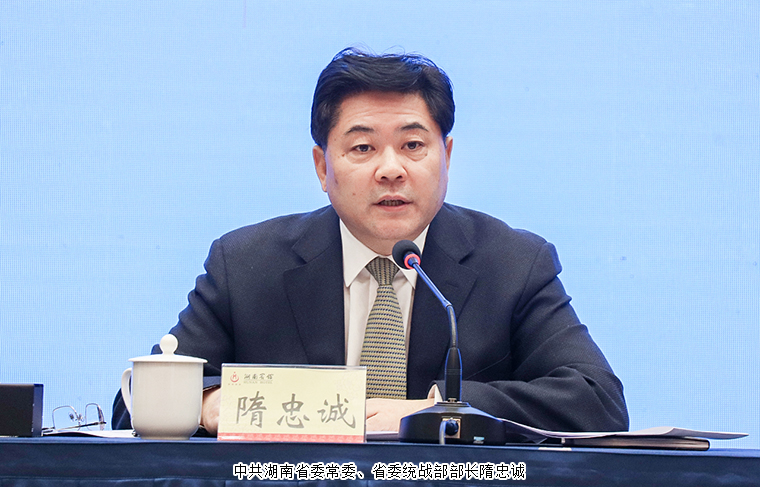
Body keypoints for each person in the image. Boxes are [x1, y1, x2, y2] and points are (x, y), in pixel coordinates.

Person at [112, 48, 628, 435]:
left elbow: (597, 401)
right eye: (362, 147)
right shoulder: (247, 265)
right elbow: (132, 408)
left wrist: (441, 407)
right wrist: (208, 405)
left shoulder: (512, 264)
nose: (390, 169)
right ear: (323, 167)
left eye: (413, 145)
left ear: (446, 157)